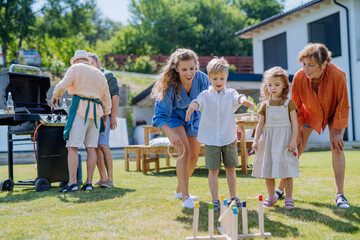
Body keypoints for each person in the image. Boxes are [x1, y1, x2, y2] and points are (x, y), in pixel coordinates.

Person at [274, 43, 351, 208]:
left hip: (334, 112)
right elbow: (296, 106)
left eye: (311, 65)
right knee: (296, 146)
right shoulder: (300, 77)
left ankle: (340, 195)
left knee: (336, 146)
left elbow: (343, 103)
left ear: (324, 64)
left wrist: (337, 133)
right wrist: (298, 131)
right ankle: (280, 189)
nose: (306, 69)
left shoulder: (338, 75)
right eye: (304, 64)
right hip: (310, 113)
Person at [185, 57, 253, 210]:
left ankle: (233, 197)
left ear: (226, 77)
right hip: (211, 139)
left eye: (222, 78)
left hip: (228, 137)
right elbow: (197, 102)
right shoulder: (205, 95)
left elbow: (238, 97)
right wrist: (192, 107)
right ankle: (215, 199)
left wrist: (244, 101)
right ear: (209, 78)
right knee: (213, 170)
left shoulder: (230, 93)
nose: (218, 81)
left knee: (230, 168)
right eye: (215, 78)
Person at [151, 48, 210, 208]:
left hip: (194, 119)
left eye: (192, 68)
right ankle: (185, 197)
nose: (189, 73)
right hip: (174, 119)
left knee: (194, 158)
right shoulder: (170, 85)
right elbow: (160, 116)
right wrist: (170, 133)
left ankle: (179, 190)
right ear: (176, 69)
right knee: (184, 151)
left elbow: (214, 101)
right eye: (184, 69)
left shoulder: (203, 80)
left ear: (196, 66)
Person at [51, 50, 112, 193]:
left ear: (76, 60)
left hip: (80, 110)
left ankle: (72, 183)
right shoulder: (100, 74)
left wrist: (55, 97)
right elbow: (107, 99)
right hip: (97, 113)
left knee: (72, 147)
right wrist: (106, 116)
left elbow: (62, 86)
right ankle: (88, 183)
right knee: (91, 148)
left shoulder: (75, 68)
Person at [251, 66, 299, 209]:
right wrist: (255, 140)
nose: (273, 88)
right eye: (270, 85)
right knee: (268, 170)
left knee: (286, 170)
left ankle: (289, 198)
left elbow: (295, 124)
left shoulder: (288, 103)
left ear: (284, 84)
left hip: (285, 140)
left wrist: (293, 141)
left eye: (276, 85)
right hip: (269, 140)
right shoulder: (265, 105)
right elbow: (260, 124)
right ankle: (271, 196)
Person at [88, 52, 120, 188]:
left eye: (91, 63)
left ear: (98, 61)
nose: (89, 66)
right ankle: (102, 178)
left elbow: (115, 96)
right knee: (95, 147)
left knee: (103, 145)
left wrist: (113, 116)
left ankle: (110, 179)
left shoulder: (108, 75)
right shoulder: (91, 77)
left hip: (105, 116)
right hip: (94, 116)